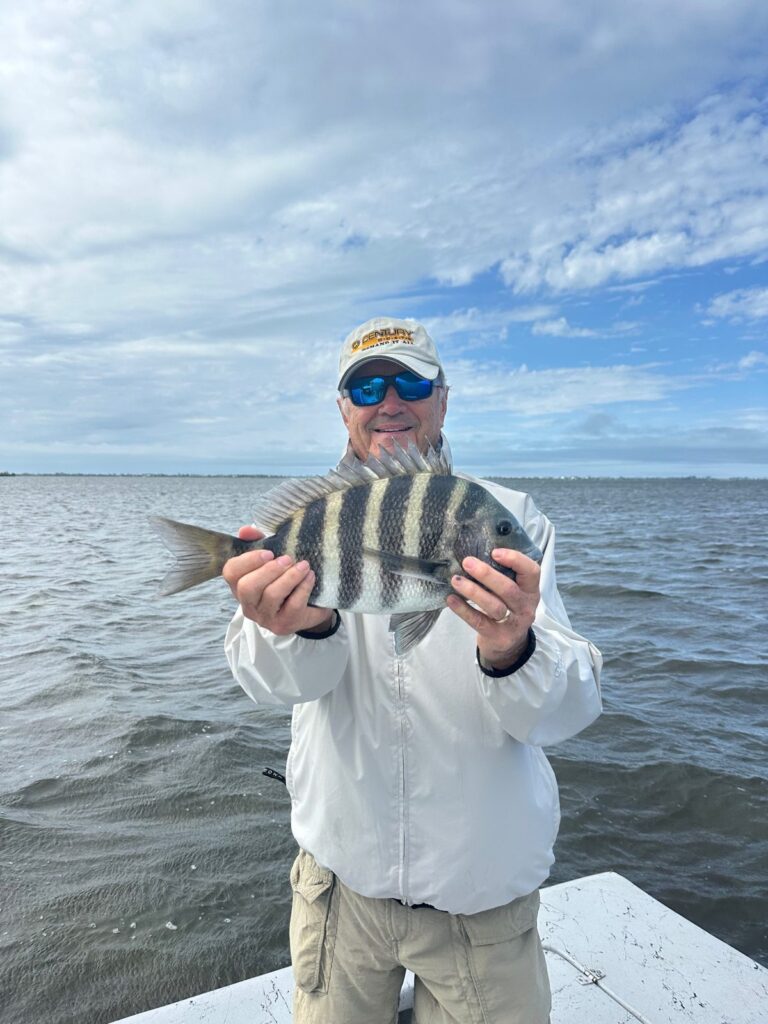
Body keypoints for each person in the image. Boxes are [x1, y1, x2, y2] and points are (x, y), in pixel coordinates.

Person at [223, 316, 602, 1024]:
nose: (389, 400)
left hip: (483, 906)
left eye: (411, 382)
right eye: (366, 385)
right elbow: (269, 685)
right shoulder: (314, 521)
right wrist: (299, 627)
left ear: (444, 399)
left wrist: (512, 647)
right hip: (340, 892)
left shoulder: (513, 521)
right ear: (343, 406)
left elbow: (565, 712)